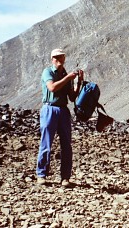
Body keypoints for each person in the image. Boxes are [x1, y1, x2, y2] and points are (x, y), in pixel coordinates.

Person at [36, 48, 84, 187]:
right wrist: (68, 78)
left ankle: (65, 177)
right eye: (56, 58)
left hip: (63, 110)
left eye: (61, 57)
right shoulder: (48, 72)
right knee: (46, 143)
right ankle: (41, 174)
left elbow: (72, 97)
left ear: (64, 58)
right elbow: (52, 87)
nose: (59, 60)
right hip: (49, 108)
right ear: (52, 59)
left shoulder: (65, 74)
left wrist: (78, 82)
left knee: (66, 145)